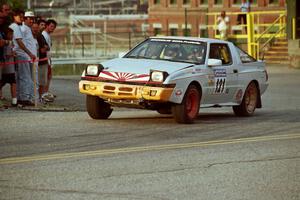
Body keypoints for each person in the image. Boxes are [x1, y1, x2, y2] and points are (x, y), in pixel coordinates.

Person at [9, 10, 36, 106]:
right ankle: (23, 98)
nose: (21, 18)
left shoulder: (23, 28)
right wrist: (29, 53)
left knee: (25, 77)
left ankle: (24, 97)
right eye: (20, 16)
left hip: (25, 56)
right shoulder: (17, 27)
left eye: (22, 17)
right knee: (24, 77)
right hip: (22, 55)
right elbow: (19, 42)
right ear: (14, 16)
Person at [0, 28, 17, 106]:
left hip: (11, 67)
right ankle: (14, 100)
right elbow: (6, 55)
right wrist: (12, 54)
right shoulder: (7, 43)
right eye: (10, 34)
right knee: (9, 83)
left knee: (12, 83)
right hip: (7, 67)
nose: (11, 36)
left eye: (12, 34)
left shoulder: (11, 42)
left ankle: (14, 100)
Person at [42, 19, 57, 101]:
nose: (52, 28)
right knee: (46, 77)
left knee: (48, 77)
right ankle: (44, 94)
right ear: (46, 26)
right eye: (51, 26)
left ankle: (45, 93)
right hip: (45, 60)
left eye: (54, 27)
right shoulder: (44, 34)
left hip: (48, 59)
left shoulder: (47, 35)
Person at [36, 19, 50, 102]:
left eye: (44, 25)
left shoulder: (41, 35)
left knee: (43, 81)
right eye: (41, 24)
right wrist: (45, 48)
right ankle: (39, 98)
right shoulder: (38, 36)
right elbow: (42, 50)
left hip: (43, 61)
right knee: (41, 81)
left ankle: (41, 97)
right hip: (40, 62)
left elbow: (47, 47)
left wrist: (45, 47)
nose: (43, 27)